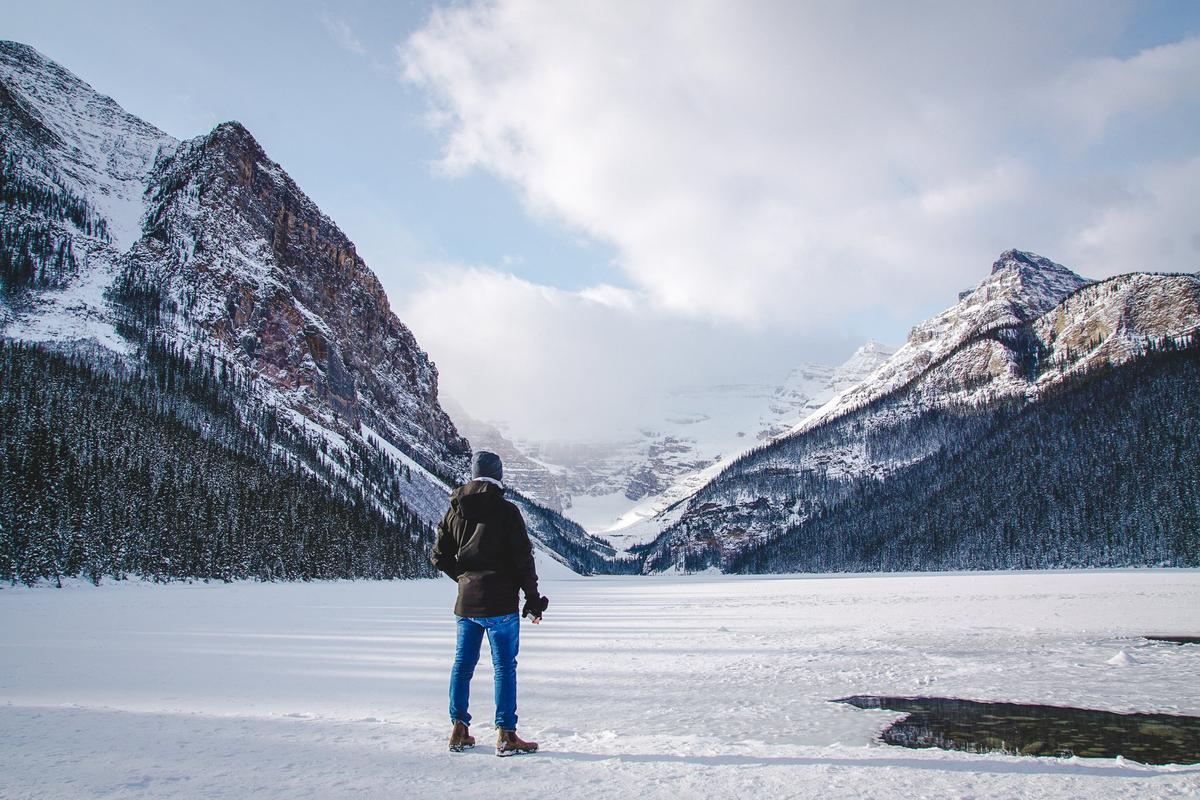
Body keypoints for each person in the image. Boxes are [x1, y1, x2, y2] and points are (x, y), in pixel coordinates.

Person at [431, 450, 550, 756]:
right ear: (498, 475)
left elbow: (437, 556)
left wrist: (464, 578)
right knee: (504, 668)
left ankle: (459, 730)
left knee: (462, 665)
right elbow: (523, 560)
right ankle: (506, 735)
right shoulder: (507, 511)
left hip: (466, 604)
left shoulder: (454, 511)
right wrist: (532, 599)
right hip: (500, 604)